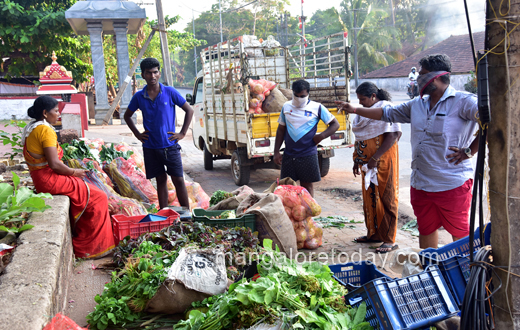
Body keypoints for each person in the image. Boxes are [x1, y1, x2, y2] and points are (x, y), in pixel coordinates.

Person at [336, 54, 479, 249]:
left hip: (451, 183)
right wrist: (355, 109)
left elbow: (491, 119)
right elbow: (386, 113)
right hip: (421, 185)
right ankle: (430, 270)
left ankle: (464, 275)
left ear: (437, 76)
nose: (417, 78)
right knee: (426, 230)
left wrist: (470, 151)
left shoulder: (463, 101)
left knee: (460, 235)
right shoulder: (417, 104)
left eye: (422, 74)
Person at [22, 96, 115, 258]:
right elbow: (54, 164)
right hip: (49, 179)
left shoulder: (32, 127)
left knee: (87, 191)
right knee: (99, 197)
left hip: (41, 178)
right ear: (45, 113)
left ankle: (88, 240)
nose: (59, 114)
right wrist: (74, 172)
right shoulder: (45, 130)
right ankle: (92, 247)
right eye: (56, 111)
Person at [124, 58, 194, 209]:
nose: (152, 76)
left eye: (155, 72)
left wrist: (182, 133)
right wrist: (137, 134)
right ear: (142, 75)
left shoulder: (169, 92)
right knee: (160, 179)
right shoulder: (139, 96)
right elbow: (127, 115)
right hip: (150, 147)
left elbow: (189, 110)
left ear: (159, 73)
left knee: (178, 180)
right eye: (148, 73)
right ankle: (164, 214)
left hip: (170, 146)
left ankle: (187, 215)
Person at [351, 82, 402, 253]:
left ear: (373, 96)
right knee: (370, 199)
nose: (361, 103)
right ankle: (373, 234)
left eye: (363, 99)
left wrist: (375, 158)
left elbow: (393, 135)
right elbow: (360, 139)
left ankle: (389, 239)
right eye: (359, 100)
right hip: (367, 164)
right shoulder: (362, 114)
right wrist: (356, 160)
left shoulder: (386, 110)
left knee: (387, 198)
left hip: (383, 162)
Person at [273, 79, 340, 197]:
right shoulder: (286, 107)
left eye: (302, 96)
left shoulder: (317, 107)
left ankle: (308, 213)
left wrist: (321, 136)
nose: (299, 98)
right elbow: (281, 129)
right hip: (289, 154)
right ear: (292, 92)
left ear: (308, 93)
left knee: (307, 187)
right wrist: (276, 151)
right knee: (288, 188)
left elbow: (335, 124)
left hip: (308, 154)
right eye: (296, 95)